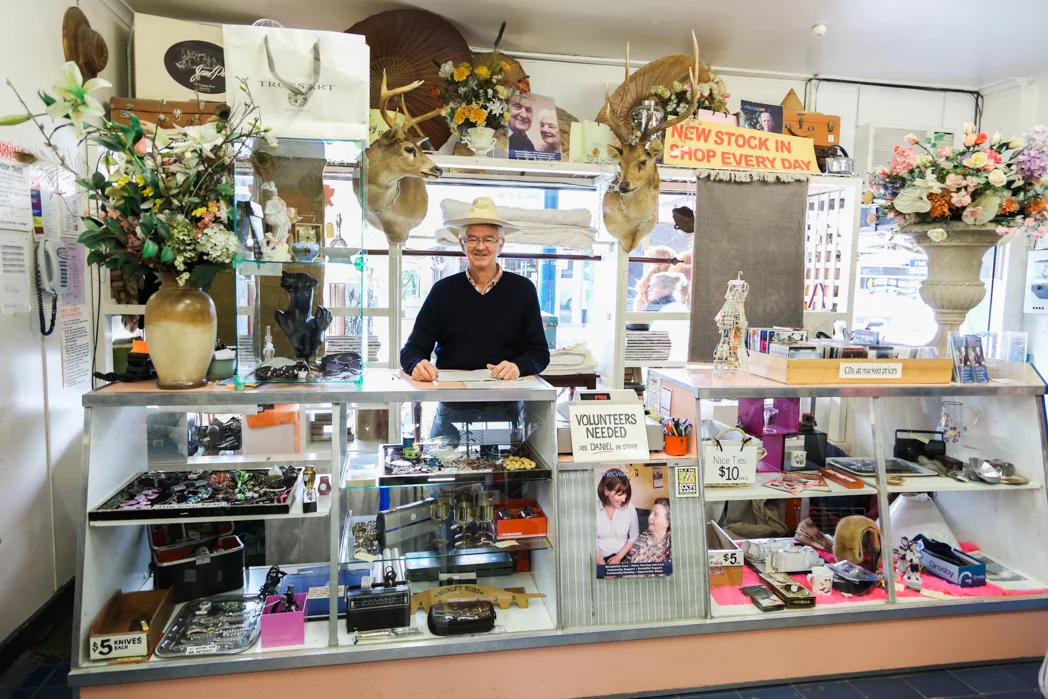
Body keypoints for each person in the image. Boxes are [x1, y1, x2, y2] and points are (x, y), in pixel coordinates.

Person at [400, 197, 551, 442]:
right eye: (472, 239)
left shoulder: (523, 290)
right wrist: (417, 364)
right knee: (444, 464)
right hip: (451, 407)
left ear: (500, 244)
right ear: (462, 244)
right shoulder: (443, 291)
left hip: (509, 408)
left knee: (513, 466)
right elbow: (412, 350)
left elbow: (539, 353)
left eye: (488, 239)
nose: (481, 246)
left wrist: (517, 367)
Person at [596, 470, 639, 567]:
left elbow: (634, 537)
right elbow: (592, 542)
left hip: (623, 557)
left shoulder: (630, 508)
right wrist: (601, 565)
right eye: (619, 495)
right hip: (599, 558)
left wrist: (618, 557)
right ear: (606, 491)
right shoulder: (593, 510)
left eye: (626, 494)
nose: (624, 499)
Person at [627, 498, 671, 564]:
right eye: (651, 513)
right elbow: (627, 562)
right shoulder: (644, 536)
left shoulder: (671, 544)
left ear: (667, 523)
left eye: (656, 514)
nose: (650, 517)